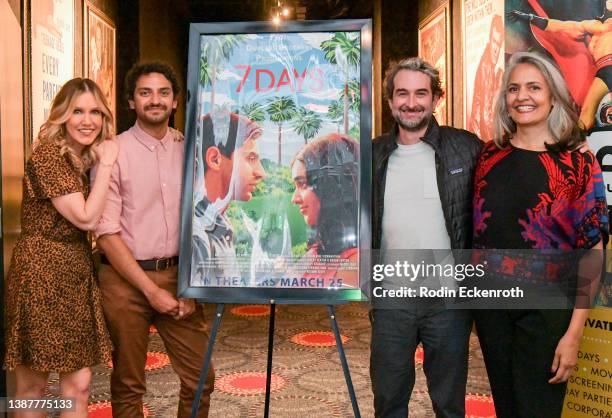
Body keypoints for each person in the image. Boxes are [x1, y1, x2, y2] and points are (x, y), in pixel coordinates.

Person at [472, 51, 609, 418]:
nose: (522, 96)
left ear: (553, 96)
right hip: (492, 308)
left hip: (549, 311)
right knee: (507, 406)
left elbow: (593, 249)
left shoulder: (579, 163)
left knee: (538, 410)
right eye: (514, 88)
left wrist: (574, 333)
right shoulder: (488, 155)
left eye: (534, 87)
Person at [94, 62, 214, 418]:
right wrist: (151, 291)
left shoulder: (192, 149)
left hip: (180, 277)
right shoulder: (111, 153)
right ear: (131, 101)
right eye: (145, 92)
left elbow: (207, 219)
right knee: (129, 384)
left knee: (200, 378)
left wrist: (193, 286)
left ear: (176, 101)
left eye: (163, 92)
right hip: (124, 280)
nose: (155, 100)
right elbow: (106, 233)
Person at [370, 57, 482, 418]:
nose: (411, 102)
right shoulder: (372, 155)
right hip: (391, 300)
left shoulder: (466, 148)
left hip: (448, 302)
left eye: (421, 93)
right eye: (402, 93)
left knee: (449, 405)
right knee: (388, 402)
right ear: (389, 101)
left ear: (436, 99)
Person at [4, 78, 118, 417]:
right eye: (77, 111)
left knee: (79, 386)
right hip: (39, 275)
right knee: (33, 389)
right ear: (62, 117)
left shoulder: (82, 159)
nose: (88, 120)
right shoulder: (48, 157)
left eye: (95, 112)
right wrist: (109, 164)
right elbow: (85, 218)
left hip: (76, 274)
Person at [191, 111, 266, 285]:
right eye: (251, 158)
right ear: (215, 159)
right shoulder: (197, 233)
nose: (262, 173)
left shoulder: (218, 223)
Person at [507, 2, 611, 129]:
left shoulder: (596, 26)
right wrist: (530, 17)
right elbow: (559, 26)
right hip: (604, 70)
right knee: (587, 114)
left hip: (606, 68)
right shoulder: (594, 26)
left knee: (587, 114)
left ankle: (576, 143)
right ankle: (577, 144)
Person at [289, 133, 359, 287]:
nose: (294, 198)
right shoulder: (317, 251)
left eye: (302, 184)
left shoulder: (354, 264)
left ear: (330, 186)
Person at [468, 14, 504, 141]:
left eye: (498, 44)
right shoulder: (486, 67)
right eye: (494, 42)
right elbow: (486, 117)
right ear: (489, 39)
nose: (496, 49)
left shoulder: (494, 67)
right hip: (479, 136)